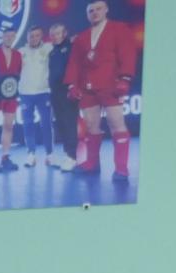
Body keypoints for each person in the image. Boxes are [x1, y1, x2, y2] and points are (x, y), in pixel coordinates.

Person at [64, 0, 138, 179]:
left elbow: (128, 53)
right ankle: (92, 163)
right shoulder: (81, 37)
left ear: (106, 10)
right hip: (87, 88)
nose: (95, 13)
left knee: (116, 123)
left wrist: (125, 78)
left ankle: (121, 168)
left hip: (111, 85)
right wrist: (72, 85)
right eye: (91, 11)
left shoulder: (119, 29)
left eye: (98, 9)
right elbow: (74, 63)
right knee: (91, 126)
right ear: (87, 14)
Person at [17, 27, 57, 167]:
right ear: (27, 37)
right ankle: (31, 154)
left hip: (43, 92)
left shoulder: (49, 48)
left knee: (46, 123)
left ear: (41, 36)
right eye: (31, 36)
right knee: (28, 124)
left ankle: (50, 154)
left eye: (36, 35)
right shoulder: (21, 52)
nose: (34, 38)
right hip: (25, 93)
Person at [45, 22, 79, 169]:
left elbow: (76, 68)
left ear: (64, 34)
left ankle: (72, 156)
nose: (55, 37)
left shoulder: (72, 47)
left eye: (58, 33)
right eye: (52, 34)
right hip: (55, 93)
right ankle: (67, 154)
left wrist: (73, 86)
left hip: (68, 91)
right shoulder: (52, 52)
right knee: (61, 123)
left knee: (69, 123)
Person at [0, 36, 24, 171]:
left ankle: (5, 157)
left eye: (11, 36)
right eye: (7, 36)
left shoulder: (18, 55)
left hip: (11, 95)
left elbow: (19, 73)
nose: (9, 38)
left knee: (8, 125)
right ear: (2, 37)